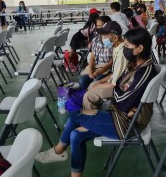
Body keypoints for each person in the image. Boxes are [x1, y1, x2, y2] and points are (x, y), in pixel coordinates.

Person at [35, 27, 156, 177]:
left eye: (127, 46)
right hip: (119, 114)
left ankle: (58, 150)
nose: (124, 48)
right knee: (75, 136)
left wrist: (115, 95)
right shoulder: (135, 64)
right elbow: (120, 90)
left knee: (75, 116)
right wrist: (119, 92)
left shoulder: (144, 71)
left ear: (140, 48)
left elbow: (123, 101)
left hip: (127, 123)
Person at [82, 21, 128, 110]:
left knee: (88, 96)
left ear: (115, 37)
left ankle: (91, 118)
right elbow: (115, 73)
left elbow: (115, 84)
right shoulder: (117, 48)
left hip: (119, 89)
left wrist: (98, 85)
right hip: (114, 82)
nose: (102, 39)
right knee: (92, 86)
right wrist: (98, 83)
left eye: (104, 36)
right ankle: (95, 111)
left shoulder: (122, 54)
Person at [78, 16, 113, 91]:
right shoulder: (95, 40)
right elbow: (92, 57)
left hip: (108, 68)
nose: (98, 28)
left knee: (95, 82)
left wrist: (102, 70)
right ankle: (85, 96)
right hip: (96, 66)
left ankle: (94, 97)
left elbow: (113, 60)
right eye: (97, 25)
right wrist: (90, 71)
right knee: (82, 81)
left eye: (101, 26)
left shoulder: (112, 40)